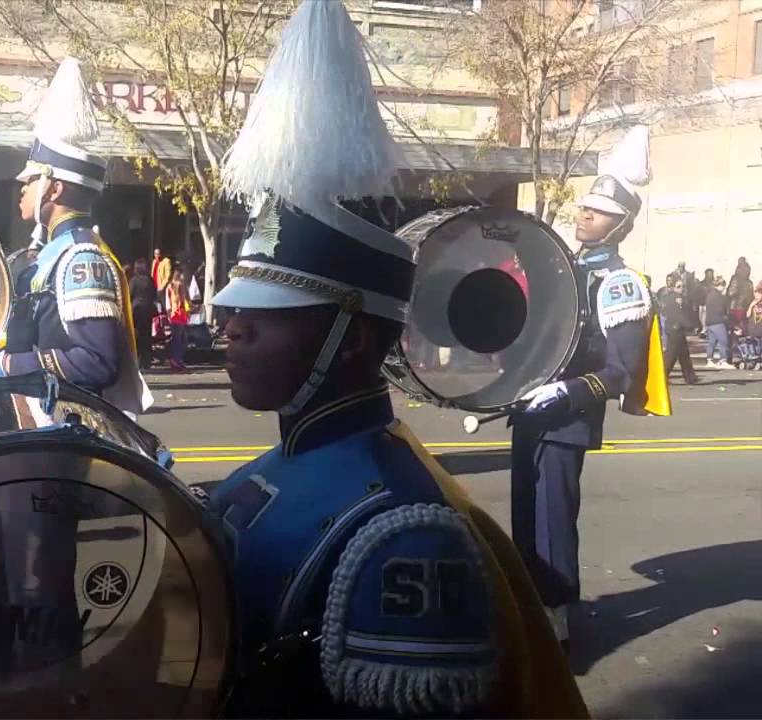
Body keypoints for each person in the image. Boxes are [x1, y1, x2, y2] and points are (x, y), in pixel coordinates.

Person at [206, 4, 587, 716]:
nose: (234, 328)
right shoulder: (266, 475)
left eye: (270, 314)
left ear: (352, 337)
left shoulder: (407, 533)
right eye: (236, 309)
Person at [510, 125, 670, 649]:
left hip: (567, 418)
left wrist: (567, 393)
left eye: (597, 212)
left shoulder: (619, 284)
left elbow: (622, 371)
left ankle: (556, 612)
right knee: (523, 518)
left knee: (553, 523)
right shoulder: (564, 268)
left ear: (619, 226)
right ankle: (532, 602)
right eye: (584, 207)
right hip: (530, 411)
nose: (584, 215)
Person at [0, 57, 143, 416]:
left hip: (64, 429)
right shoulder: (52, 254)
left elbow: (96, 361)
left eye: (31, 179)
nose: (21, 186)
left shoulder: (82, 259)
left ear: (52, 189)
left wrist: (10, 366)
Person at [660, 275, 700, 383]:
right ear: (673, 287)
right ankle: (661, 376)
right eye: (678, 286)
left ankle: (690, 377)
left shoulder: (671, 298)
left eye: (682, 286)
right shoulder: (675, 299)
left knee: (684, 354)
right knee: (671, 355)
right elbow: (679, 315)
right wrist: (690, 325)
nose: (681, 289)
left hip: (676, 328)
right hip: (675, 329)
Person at [128, 257, 157, 369]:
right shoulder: (150, 280)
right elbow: (154, 295)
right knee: (147, 334)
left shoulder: (133, 281)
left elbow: (129, 295)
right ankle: (147, 360)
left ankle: (138, 359)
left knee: (137, 335)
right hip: (148, 309)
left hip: (136, 309)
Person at [703, 276, 731, 368]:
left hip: (710, 322)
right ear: (720, 285)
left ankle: (709, 360)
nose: (724, 288)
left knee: (712, 342)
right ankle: (723, 360)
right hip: (718, 321)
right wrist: (727, 320)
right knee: (723, 341)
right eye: (724, 286)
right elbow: (722, 310)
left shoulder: (709, 295)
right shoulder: (720, 297)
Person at [165, 268, 190, 371]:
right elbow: (168, 302)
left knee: (181, 339)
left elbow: (186, 301)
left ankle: (177, 359)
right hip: (176, 315)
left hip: (180, 315)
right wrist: (169, 313)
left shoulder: (182, 287)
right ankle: (176, 359)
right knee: (179, 339)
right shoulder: (171, 287)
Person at [727, 257, 753, 332]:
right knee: (738, 328)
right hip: (737, 307)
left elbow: (730, 293)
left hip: (741, 307)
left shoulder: (748, 282)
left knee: (740, 328)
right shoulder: (737, 280)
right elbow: (731, 293)